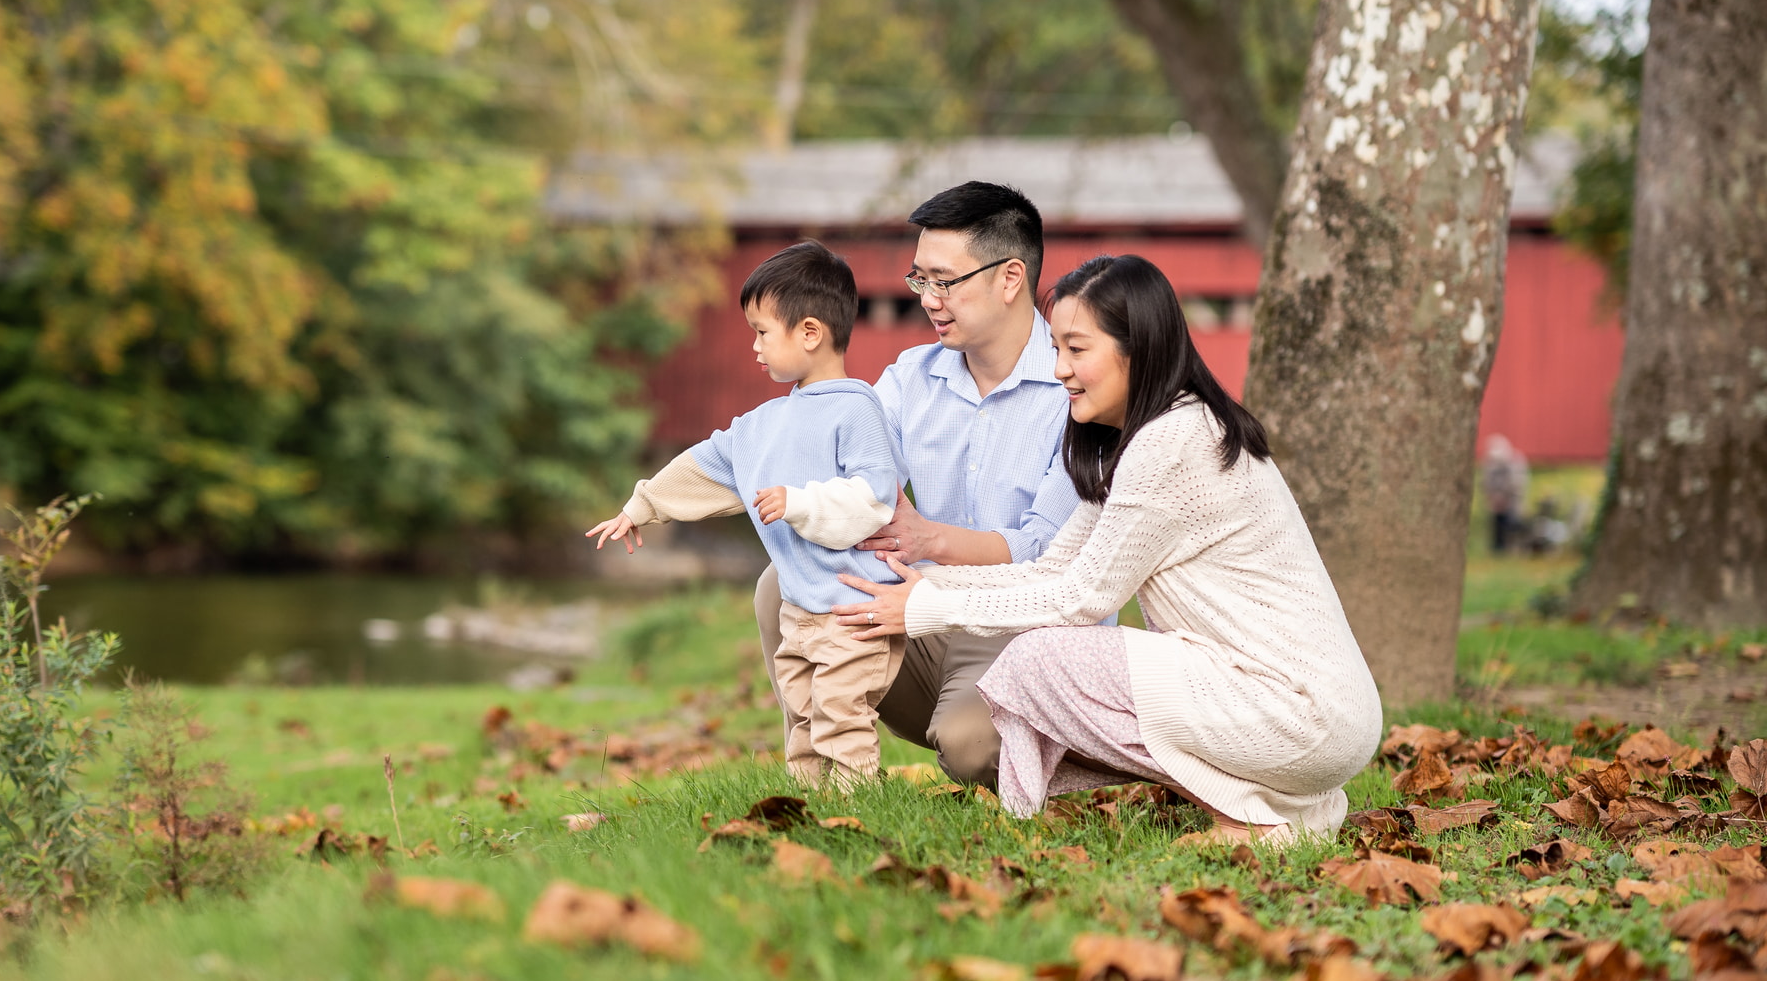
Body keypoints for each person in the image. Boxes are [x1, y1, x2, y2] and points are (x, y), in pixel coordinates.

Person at [832, 254, 1382, 842]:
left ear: (1136, 348)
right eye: (1057, 349)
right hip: (1293, 708)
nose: (1060, 369)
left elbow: (1082, 597)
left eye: (1077, 349)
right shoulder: (1141, 439)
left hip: (1296, 710)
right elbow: (1053, 569)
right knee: (1039, 661)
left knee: (1036, 661)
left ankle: (1251, 817)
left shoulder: (1174, 440)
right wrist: (934, 588)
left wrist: (925, 609)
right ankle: (1292, 812)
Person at [753, 182, 1103, 787]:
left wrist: (928, 539)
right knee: (782, 582)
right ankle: (823, 772)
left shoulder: (1074, 384)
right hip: (922, 612)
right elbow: (850, 475)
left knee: (969, 750)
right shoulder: (911, 377)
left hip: (1029, 628)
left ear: (1010, 278)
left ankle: (1087, 757)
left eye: (946, 282)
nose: (930, 300)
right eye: (922, 281)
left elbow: (1050, 552)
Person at [588, 241, 905, 788]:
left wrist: (800, 503)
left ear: (810, 333)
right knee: (803, 716)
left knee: (841, 718)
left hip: (856, 610)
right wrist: (643, 505)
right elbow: (706, 465)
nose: (753, 346)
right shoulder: (760, 425)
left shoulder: (858, 407)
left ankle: (859, 810)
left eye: (762, 332)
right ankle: (812, 805)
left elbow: (874, 499)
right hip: (801, 611)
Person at [1481, 434, 1529, 554]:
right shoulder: (1491, 463)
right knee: (1497, 525)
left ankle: (1512, 548)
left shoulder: (1515, 461)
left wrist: (1504, 496)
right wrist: (1493, 496)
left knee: (1511, 524)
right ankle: (1498, 548)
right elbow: (1486, 482)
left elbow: (1516, 483)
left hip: (1511, 501)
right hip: (1495, 503)